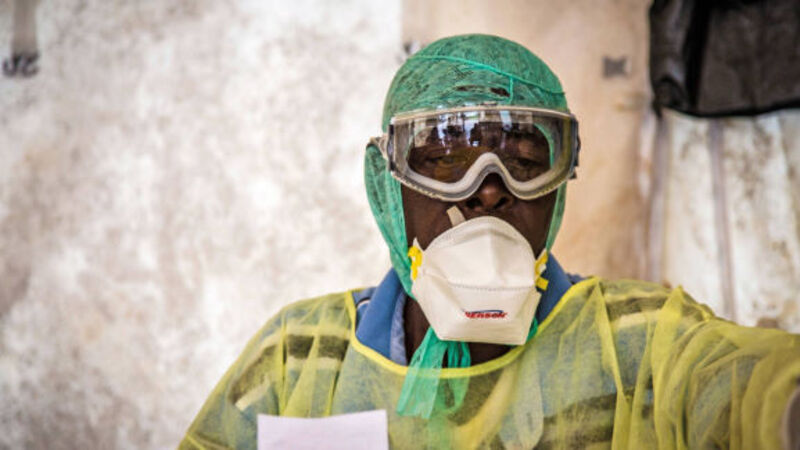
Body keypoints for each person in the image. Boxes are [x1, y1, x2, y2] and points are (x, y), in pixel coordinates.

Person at [179, 34, 800, 449]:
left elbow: (742, 383)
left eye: (525, 160)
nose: (490, 192)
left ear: (559, 188)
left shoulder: (640, 346)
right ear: (387, 184)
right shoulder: (299, 360)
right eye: (446, 160)